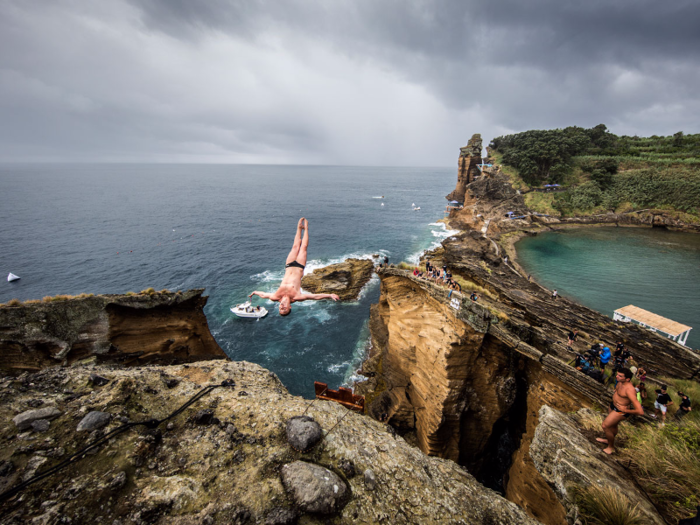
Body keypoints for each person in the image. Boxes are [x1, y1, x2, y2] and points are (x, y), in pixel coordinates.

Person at [249, 218, 340, 315]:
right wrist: (329, 295)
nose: (282, 307)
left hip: (289, 265)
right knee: (303, 247)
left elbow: (263, 295)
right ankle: (306, 229)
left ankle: (299, 228)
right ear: (290, 307)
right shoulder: (297, 297)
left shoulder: (275, 297)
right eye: (284, 309)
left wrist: (255, 292)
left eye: (280, 309)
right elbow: (315, 297)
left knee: (295, 246)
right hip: (299, 266)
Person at [596, 368, 644, 454]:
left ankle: (611, 447)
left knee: (605, 426)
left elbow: (640, 411)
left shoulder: (630, 390)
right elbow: (617, 392)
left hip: (620, 411)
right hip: (613, 406)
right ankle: (608, 440)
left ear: (627, 379)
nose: (617, 376)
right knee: (613, 426)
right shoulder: (620, 382)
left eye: (620, 376)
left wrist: (626, 410)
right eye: (617, 374)